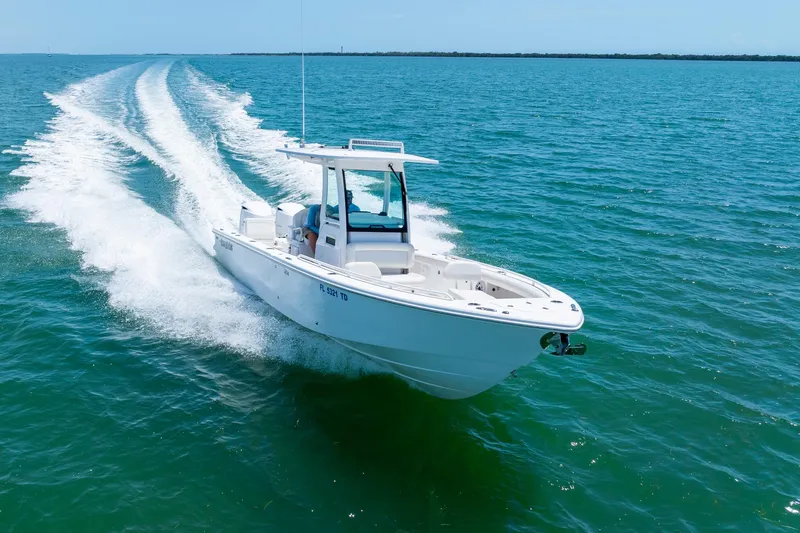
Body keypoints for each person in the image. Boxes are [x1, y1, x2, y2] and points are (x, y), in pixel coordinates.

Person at [303, 190, 360, 255]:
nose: (349, 200)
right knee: (311, 234)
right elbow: (310, 225)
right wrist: (322, 232)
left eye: (350, 198)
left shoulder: (355, 208)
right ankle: (317, 256)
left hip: (324, 228)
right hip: (309, 228)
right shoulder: (313, 209)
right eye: (347, 198)